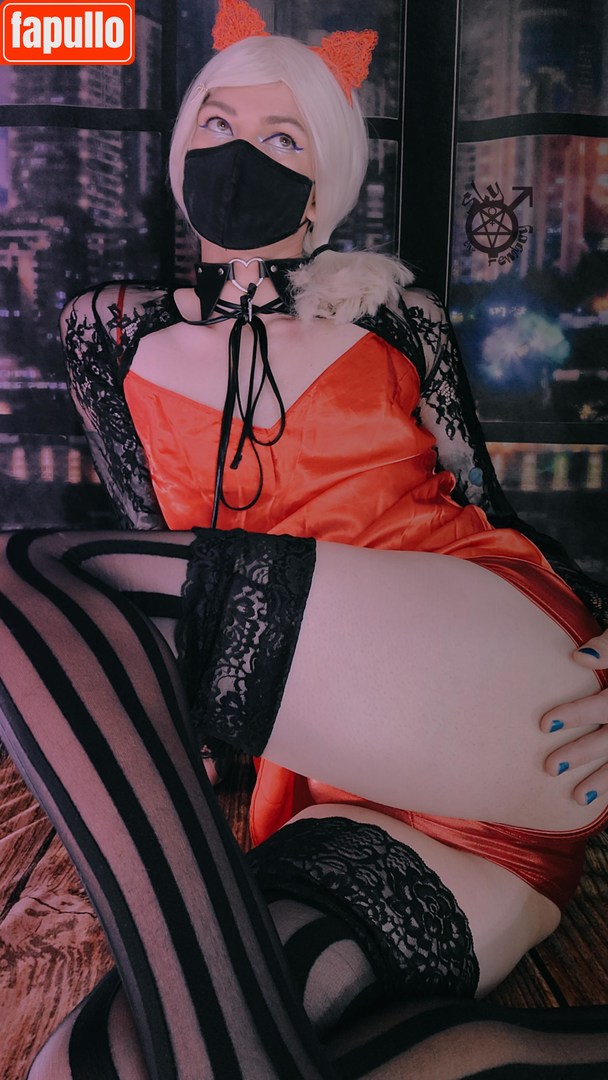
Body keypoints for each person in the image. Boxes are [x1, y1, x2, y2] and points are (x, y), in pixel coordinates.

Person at [2, 1, 608, 1075]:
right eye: (218, 124)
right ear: (179, 145)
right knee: (89, 1065)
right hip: (363, 787)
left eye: (281, 137)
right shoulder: (110, 328)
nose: (240, 153)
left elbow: (486, 503)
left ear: (325, 181)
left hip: (493, 682)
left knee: (33, 572)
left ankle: (178, 931)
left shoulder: (389, 316)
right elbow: (155, 532)